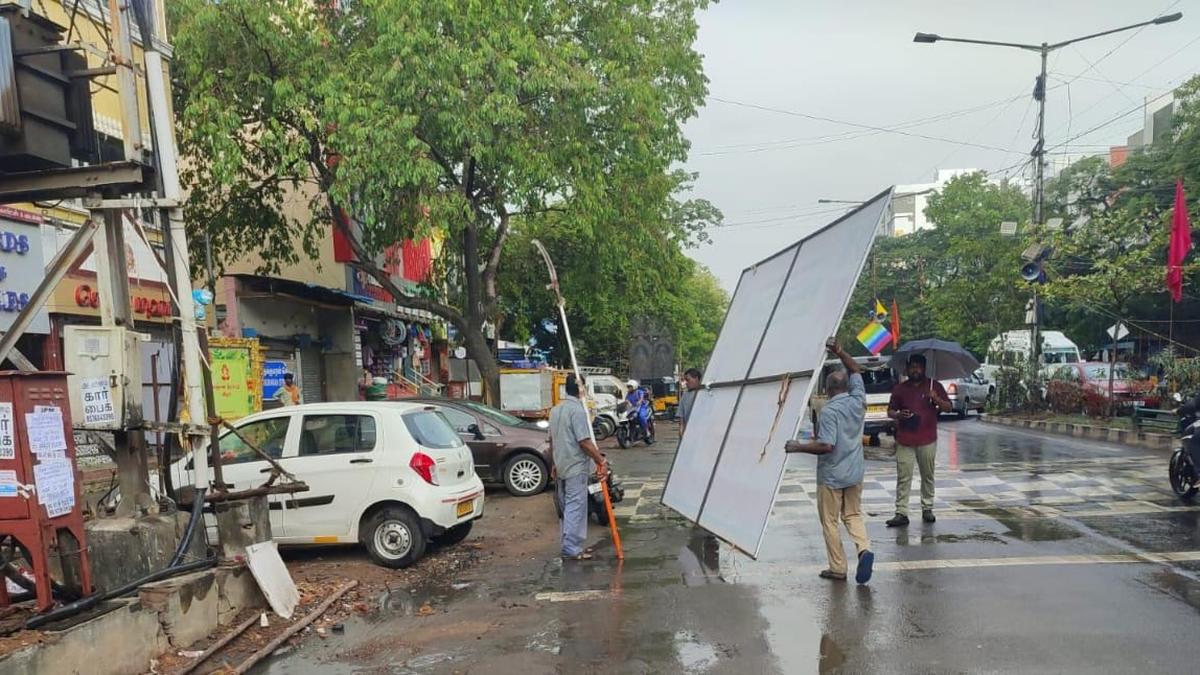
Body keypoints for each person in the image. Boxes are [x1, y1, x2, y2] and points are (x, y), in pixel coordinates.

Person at [785, 337, 874, 584]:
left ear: (827, 389)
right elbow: (855, 369)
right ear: (846, 385)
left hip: (832, 476)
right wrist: (840, 351)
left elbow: (826, 445)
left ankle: (838, 568)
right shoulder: (858, 399)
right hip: (855, 471)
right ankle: (864, 549)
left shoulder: (829, 412)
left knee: (830, 521)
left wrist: (798, 447)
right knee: (853, 514)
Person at [886, 354, 952, 527]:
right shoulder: (900, 389)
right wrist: (899, 414)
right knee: (903, 477)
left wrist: (936, 399)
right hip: (905, 439)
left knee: (927, 476)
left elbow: (948, 407)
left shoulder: (934, 386)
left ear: (924, 368)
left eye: (918, 367)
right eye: (912, 367)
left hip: (927, 439)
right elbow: (890, 411)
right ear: (907, 369)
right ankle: (901, 512)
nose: (915, 370)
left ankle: (927, 508)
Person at [549, 374, 608, 561]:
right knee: (575, 506)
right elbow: (584, 441)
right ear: (581, 389)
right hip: (575, 466)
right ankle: (572, 548)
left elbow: (553, 440)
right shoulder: (577, 411)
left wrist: (554, 463)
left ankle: (571, 545)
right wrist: (600, 460)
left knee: (567, 508)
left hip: (561, 465)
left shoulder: (555, 410)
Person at [624, 380, 653, 444]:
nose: (628, 388)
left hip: (642, 407)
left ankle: (646, 431)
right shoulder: (628, 394)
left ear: (634, 387)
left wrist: (640, 401)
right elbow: (626, 400)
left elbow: (641, 397)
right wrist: (627, 402)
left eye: (630, 387)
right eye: (628, 387)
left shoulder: (639, 392)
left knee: (641, 417)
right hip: (633, 408)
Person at [678, 368, 702, 436]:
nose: (686, 383)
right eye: (685, 380)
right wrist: (681, 430)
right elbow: (681, 417)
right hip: (689, 433)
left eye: (688, 380)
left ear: (696, 378)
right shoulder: (685, 395)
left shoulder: (705, 393)